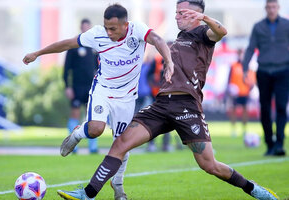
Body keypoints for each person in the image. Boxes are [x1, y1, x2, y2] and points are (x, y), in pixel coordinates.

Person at [56, 0, 279, 200]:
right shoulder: (178, 39)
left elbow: (221, 31)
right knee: (120, 143)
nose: (176, 16)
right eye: (176, 12)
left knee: (209, 165)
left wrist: (205, 19)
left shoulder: (204, 35)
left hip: (187, 106)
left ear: (196, 14)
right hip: (162, 105)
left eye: (182, 13)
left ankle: (254, 190)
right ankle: (88, 194)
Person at [23, 4, 173, 200]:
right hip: (102, 90)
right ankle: (78, 133)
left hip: (127, 98)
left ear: (125, 24)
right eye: (106, 27)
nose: (108, 32)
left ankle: (118, 186)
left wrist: (169, 61)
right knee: (95, 129)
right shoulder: (97, 34)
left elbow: (157, 39)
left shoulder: (137, 30)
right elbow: (67, 44)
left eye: (113, 28)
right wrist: (38, 53)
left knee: (122, 144)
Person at [242, 0, 289, 156]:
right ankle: (269, 143)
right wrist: (244, 68)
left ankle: (280, 144)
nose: (271, 9)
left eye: (274, 6)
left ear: (278, 8)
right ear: (265, 8)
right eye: (268, 7)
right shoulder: (259, 26)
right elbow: (250, 48)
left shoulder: (286, 25)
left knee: (282, 107)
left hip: (283, 70)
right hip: (263, 71)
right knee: (265, 109)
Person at [63, 18, 98, 154]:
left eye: (88, 28)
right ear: (80, 28)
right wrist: (68, 86)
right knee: (75, 114)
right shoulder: (73, 47)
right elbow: (66, 69)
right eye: (84, 28)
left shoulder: (95, 47)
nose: (86, 30)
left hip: (91, 87)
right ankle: (73, 146)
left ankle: (93, 147)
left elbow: (98, 68)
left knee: (91, 117)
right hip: (77, 87)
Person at [227, 48, 255, 137]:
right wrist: (230, 89)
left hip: (245, 92)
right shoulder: (233, 66)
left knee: (245, 111)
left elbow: (251, 80)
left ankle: (244, 129)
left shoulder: (247, 66)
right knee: (234, 110)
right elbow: (229, 79)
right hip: (235, 93)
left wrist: (250, 88)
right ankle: (233, 129)